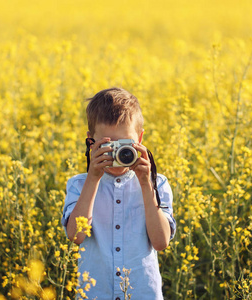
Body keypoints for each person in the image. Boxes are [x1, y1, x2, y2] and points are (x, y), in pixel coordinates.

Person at [61, 87, 176, 300]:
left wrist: (145, 184)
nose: (117, 153)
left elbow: (161, 242)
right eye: (107, 144)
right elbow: (76, 236)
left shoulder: (156, 183)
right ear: (90, 141)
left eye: (124, 144)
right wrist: (93, 177)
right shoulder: (79, 185)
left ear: (140, 140)